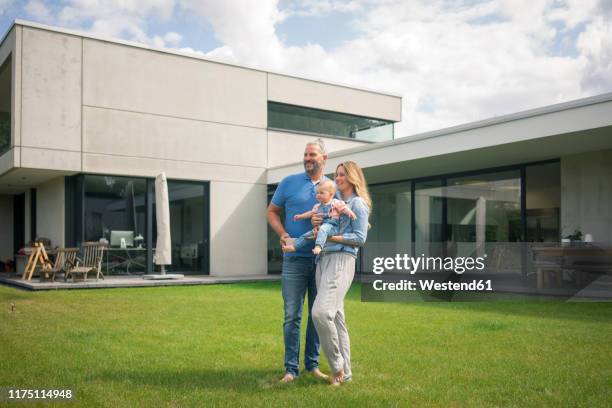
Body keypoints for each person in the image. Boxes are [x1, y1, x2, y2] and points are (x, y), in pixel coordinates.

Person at [267, 139, 331, 383]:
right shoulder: (288, 182)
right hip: (293, 260)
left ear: (324, 158)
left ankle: (312, 365)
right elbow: (271, 211)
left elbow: (340, 221)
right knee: (292, 315)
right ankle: (291, 370)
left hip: (322, 261)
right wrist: (283, 234)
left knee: (317, 315)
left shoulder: (333, 187)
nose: (307, 158)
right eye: (305, 154)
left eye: (312, 154)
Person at [306, 161, 371, 386]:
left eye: (343, 174)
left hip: (341, 260)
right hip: (323, 259)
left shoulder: (357, 204)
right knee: (337, 318)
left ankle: (337, 367)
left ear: (352, 177)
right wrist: (316, 221)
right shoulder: (333, 203)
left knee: (320, 313)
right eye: (337, 174)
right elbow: (321, 224)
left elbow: (360, 238)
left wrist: (329, 238)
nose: (338, 178)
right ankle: (348, 373)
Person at [282, 180, 357, 255]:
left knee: (323, 229)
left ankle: (318, 246)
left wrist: (350, 213)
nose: (318, 195)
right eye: (317, 193)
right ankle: (294, 246)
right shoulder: (317, 206)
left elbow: (343, 208)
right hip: (321, 227)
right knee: (307, 235)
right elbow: (311, 213)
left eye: (322, 193)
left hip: (332, 227)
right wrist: (301, 216)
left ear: (331, 194)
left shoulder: (335, 202)